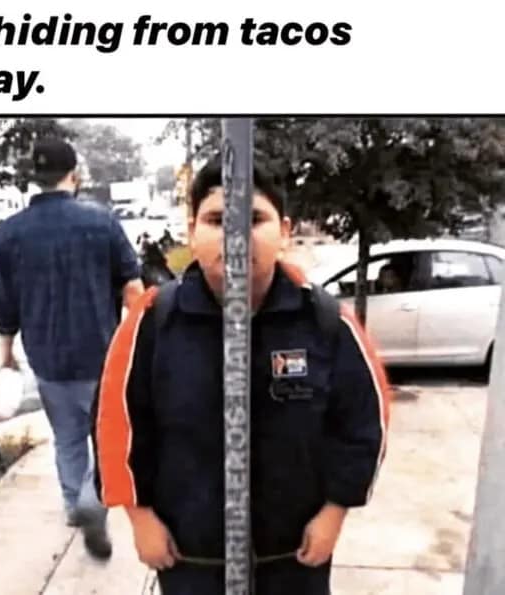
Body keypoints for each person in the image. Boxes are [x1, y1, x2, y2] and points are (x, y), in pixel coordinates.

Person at [93, 157, 391, 594]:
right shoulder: (154, 323)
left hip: (293, 558)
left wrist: (334, 512)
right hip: (189, 557)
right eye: (217, 220)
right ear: (192, 231)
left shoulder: (325, 323)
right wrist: (141, 519)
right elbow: (116, 426)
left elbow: (363, 424)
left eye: (254, 219)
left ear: (284, 232)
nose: (235, 235)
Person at [0, 138, 144, 559]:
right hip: (101, 355)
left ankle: (74, 503)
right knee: (107, 435)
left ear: (34, 177)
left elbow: (6, 307)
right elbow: (133, 288)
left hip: (47, 359)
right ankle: (94, 499)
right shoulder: (102, 222)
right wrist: (140, 339)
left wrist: (6, 355)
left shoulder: (9, 232)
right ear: (74, 174)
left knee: (67, 438)